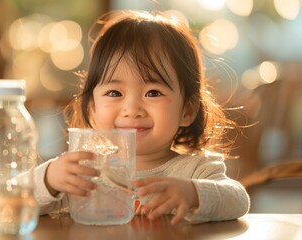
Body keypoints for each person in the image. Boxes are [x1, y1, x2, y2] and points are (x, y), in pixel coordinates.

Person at [32, 10, 250, 225]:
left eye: (153, 93)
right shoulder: (85, 173)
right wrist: (49, 179)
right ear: (92, 109)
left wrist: (193, 193)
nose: (132, 109)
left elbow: (238, 200)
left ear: (187, 111)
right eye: (114, 93)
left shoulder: (195, 170)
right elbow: (12, 201)